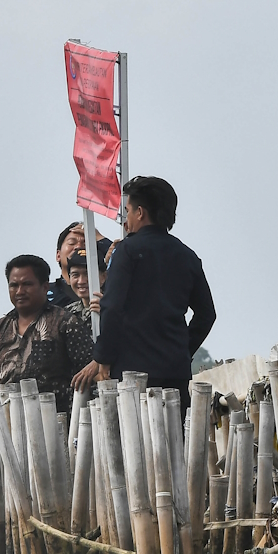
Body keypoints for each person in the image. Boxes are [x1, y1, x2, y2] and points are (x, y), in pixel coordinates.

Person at [73, 176, 216, 410]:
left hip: (133, 376)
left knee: (134, 443)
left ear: (140, 212)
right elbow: (206, 315)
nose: (126, 221)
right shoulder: (188, 256)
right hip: (174, 374)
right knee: (175, 442)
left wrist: (104, 358)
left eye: (127, 211)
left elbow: (113, 307)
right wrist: (182, 350)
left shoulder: (127, 251)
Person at [0, 254, 93, 410]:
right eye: (14, 285)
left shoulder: (65, 323)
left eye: (27, 284)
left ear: (45, 287)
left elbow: (89, 369)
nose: (19, 291)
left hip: (56, 422)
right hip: (6, 423)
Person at [48, 222, 113, 307]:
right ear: (58, 255)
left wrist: (100, 239)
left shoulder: (109, 291)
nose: (79, 247)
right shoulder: (45, 292)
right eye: (71, 243)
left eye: (86, 243)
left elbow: (127, 262)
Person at [64, 247, 107, 324]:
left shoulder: (119, 308)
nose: (81, 281)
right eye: (75, 275)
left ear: (103, 277)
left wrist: (109, 316)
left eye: (87, 274)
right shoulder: (66, 313)